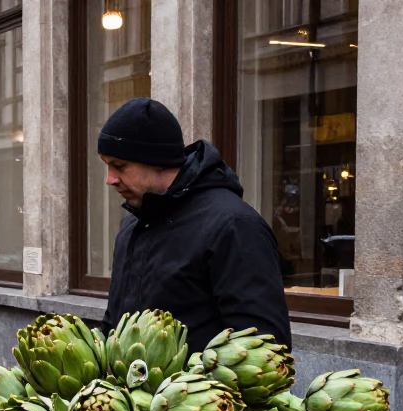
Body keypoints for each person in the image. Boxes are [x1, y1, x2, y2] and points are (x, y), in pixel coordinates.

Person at [97, 97, 291, 351]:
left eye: (119, 166)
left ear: (156, 159)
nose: (110, 179)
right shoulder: (132, 223)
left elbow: (266, 350)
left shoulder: (235, 226)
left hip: (202, 391)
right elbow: (115, 324)